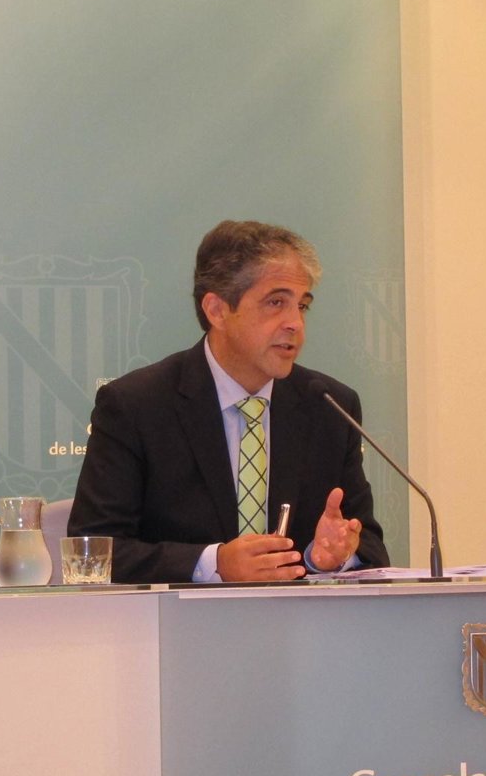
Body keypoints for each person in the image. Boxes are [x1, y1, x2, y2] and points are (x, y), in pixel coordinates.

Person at [68, 219, 388, 583]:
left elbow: (369, 546)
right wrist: (214, 563)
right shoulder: (136, 406)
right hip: (174, 618)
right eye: (276, 302)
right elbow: (92, 552)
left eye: (302, 306)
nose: (295, 324)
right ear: (217, 310)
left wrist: (328, 557)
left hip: (298, 618)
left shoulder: (330, 407)